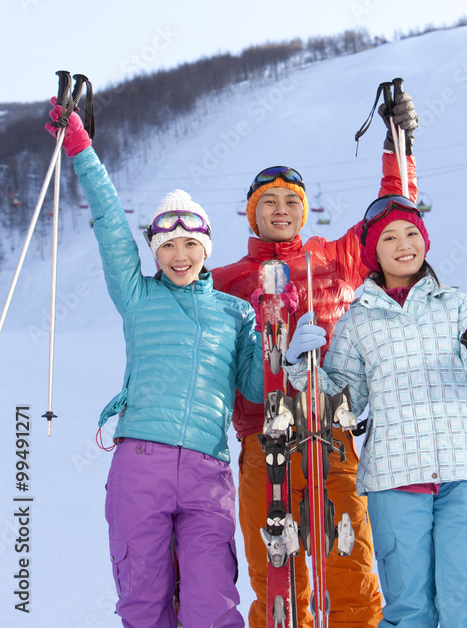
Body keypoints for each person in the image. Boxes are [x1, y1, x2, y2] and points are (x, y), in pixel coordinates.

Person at [46, 101, 265, 628]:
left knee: (212, 603)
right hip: (140, 463)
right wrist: (81, 149)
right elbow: (109, 227)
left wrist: (274, 341)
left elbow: (256, 390)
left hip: (206, 470)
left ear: (207, 248)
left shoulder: (235, 313)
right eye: (169, 245)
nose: (181, 255)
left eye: (192, 243)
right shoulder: (138, 297)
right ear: (156, 251)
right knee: (143, 602)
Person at [211, 86, 419, 628]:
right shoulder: (225, 282)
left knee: (349, 568)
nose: (282, 211)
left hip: (332, 434)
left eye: (292, 202)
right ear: (252, 213)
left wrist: (400, 145)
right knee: (277, 578)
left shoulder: (332, 258)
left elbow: (392, 215)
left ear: (304, 211)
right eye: (270, 203)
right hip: (265, 441)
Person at [283, 193, 467, 628]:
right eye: (389, 237)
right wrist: (303, 365)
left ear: (425, 241)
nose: (403, 243)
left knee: (463, 606)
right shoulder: (358, 320)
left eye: (411, 233)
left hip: (463, 470)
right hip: (396, 476)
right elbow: (342, 404)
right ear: (373, 251)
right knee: (410, 608)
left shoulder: (457, 305)